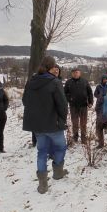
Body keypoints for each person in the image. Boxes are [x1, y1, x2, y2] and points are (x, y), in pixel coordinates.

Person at [22, 56, 68, 194]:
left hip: (38, 125)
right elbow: (63, 105)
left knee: (42, 152)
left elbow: (25, 101)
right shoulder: (55, 82)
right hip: (53, 124)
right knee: (61, 147)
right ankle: (58, 172)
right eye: (54, 66)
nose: (56, 68)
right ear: (50, 67)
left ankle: (43, 184)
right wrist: (62, 120)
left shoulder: (31, 81)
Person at [64, 68, 93, 144]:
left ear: (80, 73)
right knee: (75, 123)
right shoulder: (68, 82)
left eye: (77, 72)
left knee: (83, 123)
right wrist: (69, 98)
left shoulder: (85, 81)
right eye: (73, 72)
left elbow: (90, 92)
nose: (75, 74)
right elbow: (64, 93)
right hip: (73, 106)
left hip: (83, 105)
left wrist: (90, 102)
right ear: (71, 74)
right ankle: (75, 137)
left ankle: (84, 138)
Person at [94, 74, 107, 148]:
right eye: (104, 79)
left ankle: (106, 127)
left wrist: (105, 98)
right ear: (102, 79)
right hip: (99, 107)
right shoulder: (98, 86)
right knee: (99, 125)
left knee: (104, 121)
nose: (105, 80)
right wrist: (100, 97)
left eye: (106, 79)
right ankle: (101, 143)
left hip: (106, 107)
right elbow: (95, 94)